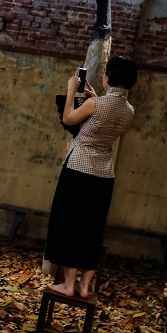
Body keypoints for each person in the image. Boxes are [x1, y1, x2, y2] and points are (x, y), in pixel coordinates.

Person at [44, 55, 137, 299]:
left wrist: (70, 89)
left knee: (70, 223)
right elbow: (105, 120)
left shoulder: (96, 105)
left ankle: (68, 284)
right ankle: (85, 286)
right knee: (92, 227)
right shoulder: (129, 110)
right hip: (104, 174)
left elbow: (68, 119)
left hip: (79, 169)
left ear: (108, 78)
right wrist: (95, 100)